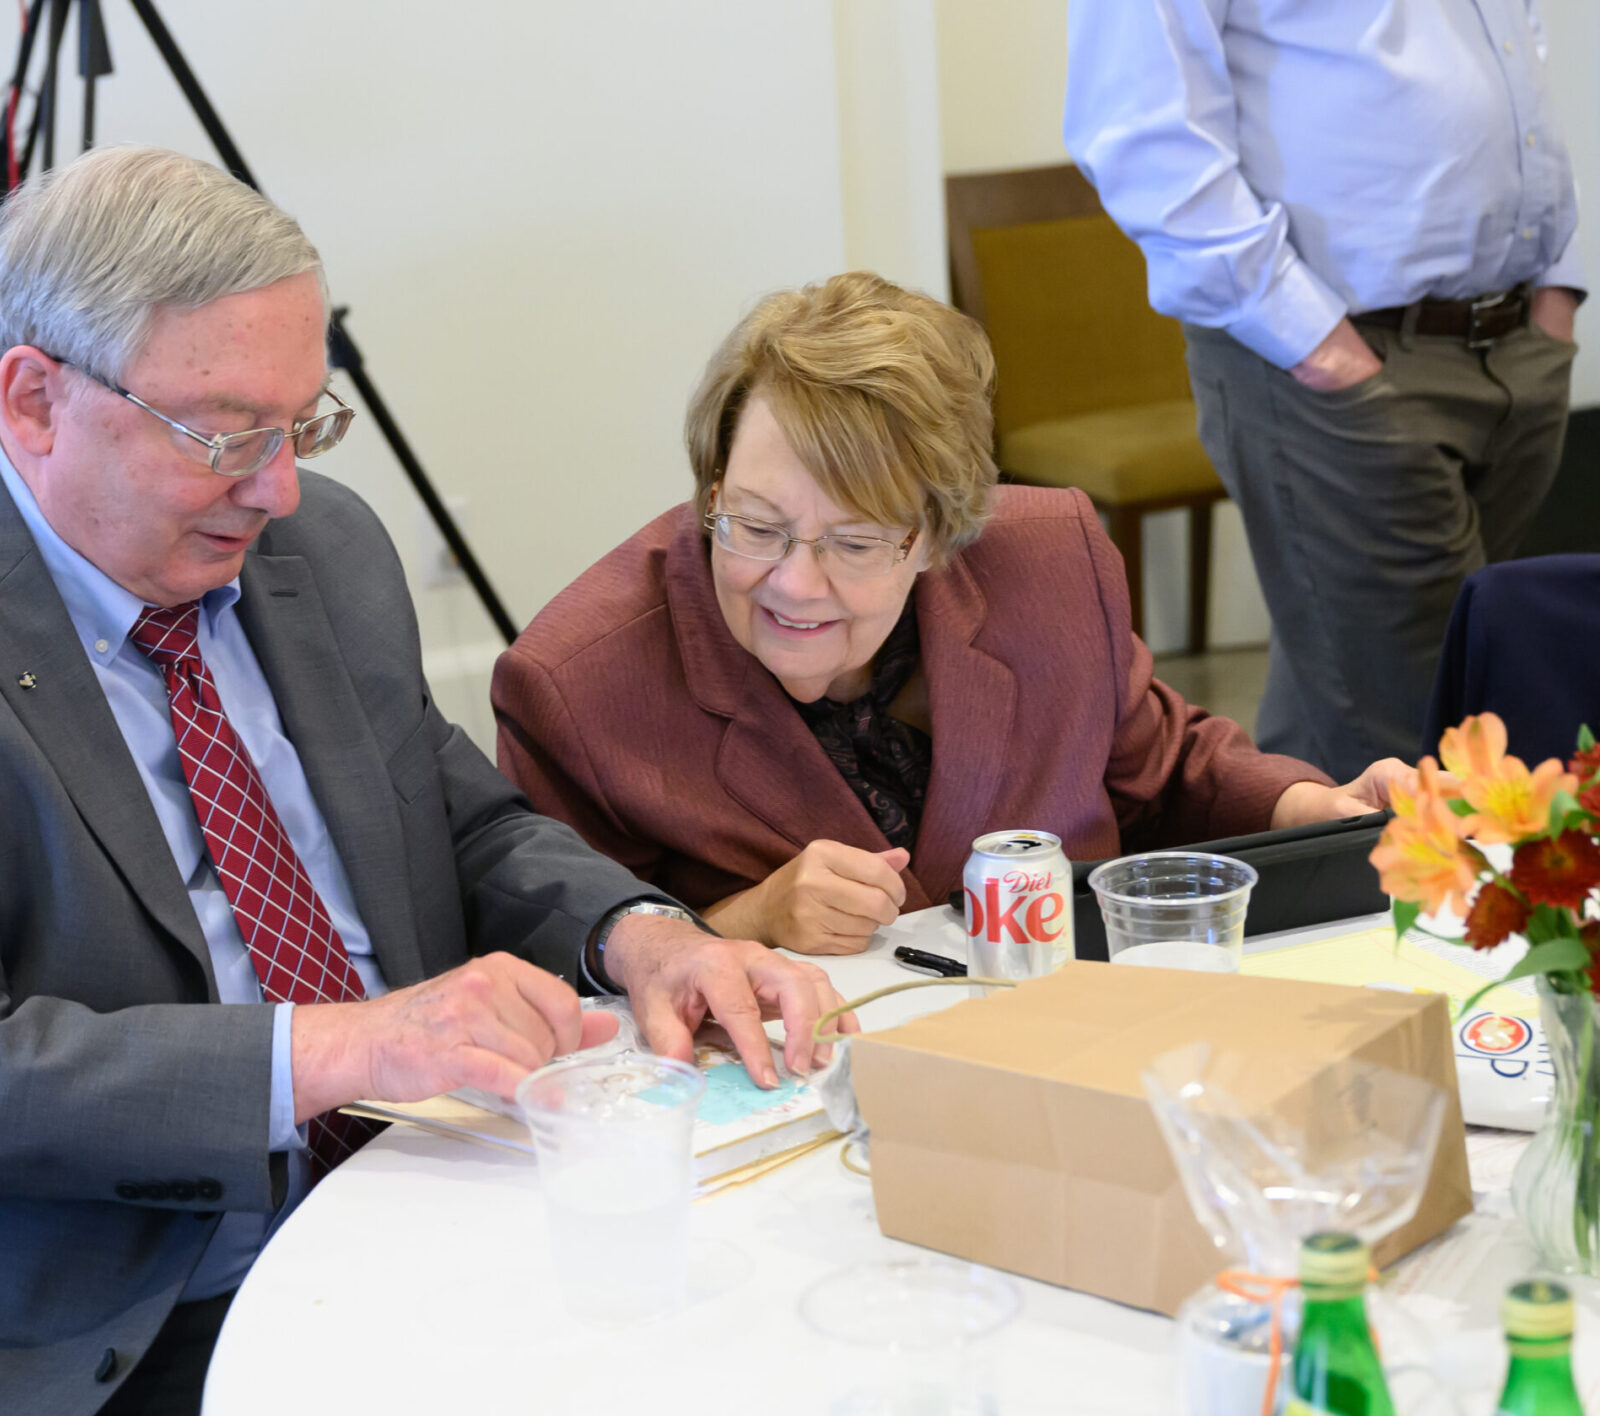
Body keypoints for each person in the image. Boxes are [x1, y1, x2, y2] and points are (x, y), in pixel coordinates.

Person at [0, 147, 848, 1416]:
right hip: (27, 1330)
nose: (280, 486)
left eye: (302, 424)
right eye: (228, 435)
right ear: (32, 402)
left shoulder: (321, 551)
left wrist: (647, 939)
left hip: (397, 1215)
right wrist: (350, 1044)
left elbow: (456, 822)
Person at [492, 273, 1412, 955]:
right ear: (711, 488)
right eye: (757, 527)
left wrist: (1314, 810)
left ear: (939, 534)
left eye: (854, 544)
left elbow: (1161, 770)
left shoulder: (1050, 562)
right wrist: (748, 920)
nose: (795, 584)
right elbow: (560, 955)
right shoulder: (576, 682)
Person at [1064, 0, 1583, 781]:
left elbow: (1515, 56)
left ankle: (1290, 885)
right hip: (1338, 361)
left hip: (1514, 345)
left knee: (1348, 697)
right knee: (1430, 744)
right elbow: (1145, 140)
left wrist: (1557, 296)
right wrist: (1321, 349)